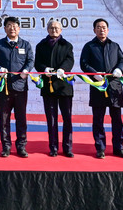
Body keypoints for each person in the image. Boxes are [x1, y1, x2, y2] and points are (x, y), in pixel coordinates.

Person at [80, 18, 123, 159]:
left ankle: (118, 148)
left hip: (114, 87)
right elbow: (84, 63)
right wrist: (94, 74)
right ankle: (100, 148)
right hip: (98, 86)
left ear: (108, 30)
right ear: (94, 30)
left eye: (104, 27)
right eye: (98, 27)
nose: (101, 30)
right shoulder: (89, 46)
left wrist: (119, 69)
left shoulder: (114, 46)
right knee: (98, 119)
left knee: (117, 120)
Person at [0, 16, 34, 158]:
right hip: (4, 87)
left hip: (20, 87)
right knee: (4, 119)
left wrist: (26, 70)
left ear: (19, 28)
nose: (12, 28)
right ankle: (6, 146)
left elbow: (30, 60)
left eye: (15, 26)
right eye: (9, 25)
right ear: (5, 28)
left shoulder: (25, 44)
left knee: (21, 119)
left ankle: (21, 146)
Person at [34, 19, 75, 157]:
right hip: (48, 86)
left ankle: (67, 148)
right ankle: (53, 147)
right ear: (47, 30)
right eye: (51, 28)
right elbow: (37, 63)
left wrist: (63, 69)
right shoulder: (41, 45)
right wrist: (44, 69)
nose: (54, 30)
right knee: (51, 119)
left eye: (57, 28)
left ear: (61, 30)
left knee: (67, 118)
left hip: (64, 87)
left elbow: (70, 60)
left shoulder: (67, 45)